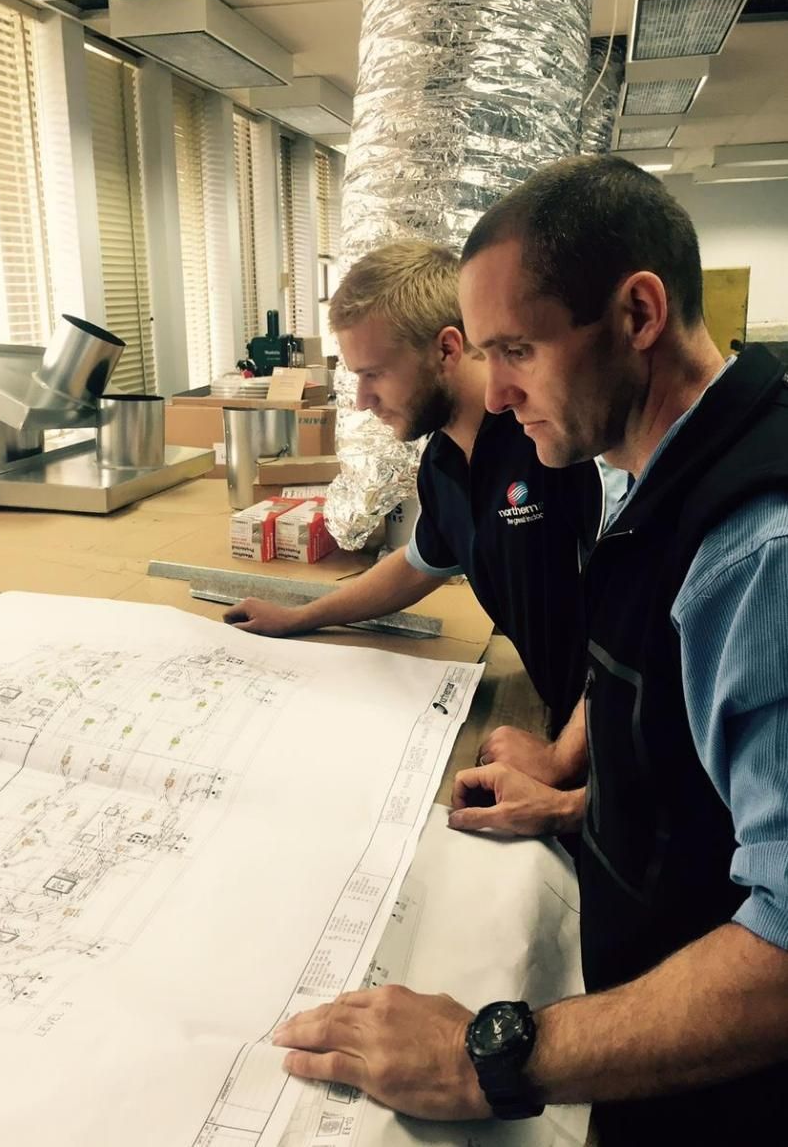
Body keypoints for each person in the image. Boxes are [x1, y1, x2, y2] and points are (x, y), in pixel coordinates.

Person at [272, 157, 788, 1144]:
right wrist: (581, 803)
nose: (496, 394)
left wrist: (491, 1058)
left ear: (638, 315)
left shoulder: (755, 551)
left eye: (517, 349)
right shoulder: (644, 484)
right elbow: (712, 784)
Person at [225, 239, 605, 739]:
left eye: (374, 374)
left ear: (447, 348)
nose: (362, 402)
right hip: (564, 720)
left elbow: (643, 636)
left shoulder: (558, 444)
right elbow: (414, 567)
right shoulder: (442, 463)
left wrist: (567, 769)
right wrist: (299, 618)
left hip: (623, 747)